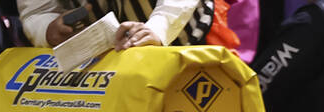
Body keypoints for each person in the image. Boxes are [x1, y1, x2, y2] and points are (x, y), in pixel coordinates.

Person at [19, 0, 215, 51]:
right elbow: (37, 11)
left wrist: (157, 27)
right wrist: (46, 30)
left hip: (181, 45)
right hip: (90, 67)